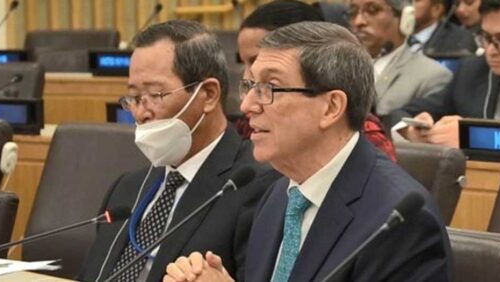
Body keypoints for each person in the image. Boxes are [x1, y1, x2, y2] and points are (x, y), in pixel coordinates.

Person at [163, 22, 452, 282]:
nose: (247, 105)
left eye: (269, 88)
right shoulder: (277, 197)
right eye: (249, 86)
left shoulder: (397, 221)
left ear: (331, 107)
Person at [78, 20, 280, 282]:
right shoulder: (126, 188)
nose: (141, 112)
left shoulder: (257, 187)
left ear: (207, 94)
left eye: (155, 95)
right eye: (134, 98)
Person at [235, 0, 397, 162]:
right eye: (244, 63)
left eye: (255, 60)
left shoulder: (364, 143)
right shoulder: (250, 122)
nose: (246, 77)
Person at [389, 0, 500, 148]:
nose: (490, 50)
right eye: (486, 38)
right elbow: (401, 113)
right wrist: (412, 131)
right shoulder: (472, 71)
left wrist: (470, 136)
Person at [349, 0, 453, 116]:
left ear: (405, 18)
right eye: (352, 12)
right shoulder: (337, 70)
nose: (359, 22)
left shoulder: (432, 77)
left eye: (373, 10)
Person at [411, 0, 477, 55]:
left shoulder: (460, 41)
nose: (407, 5)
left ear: (437, 9)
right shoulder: (402, 36)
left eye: (416, 0)